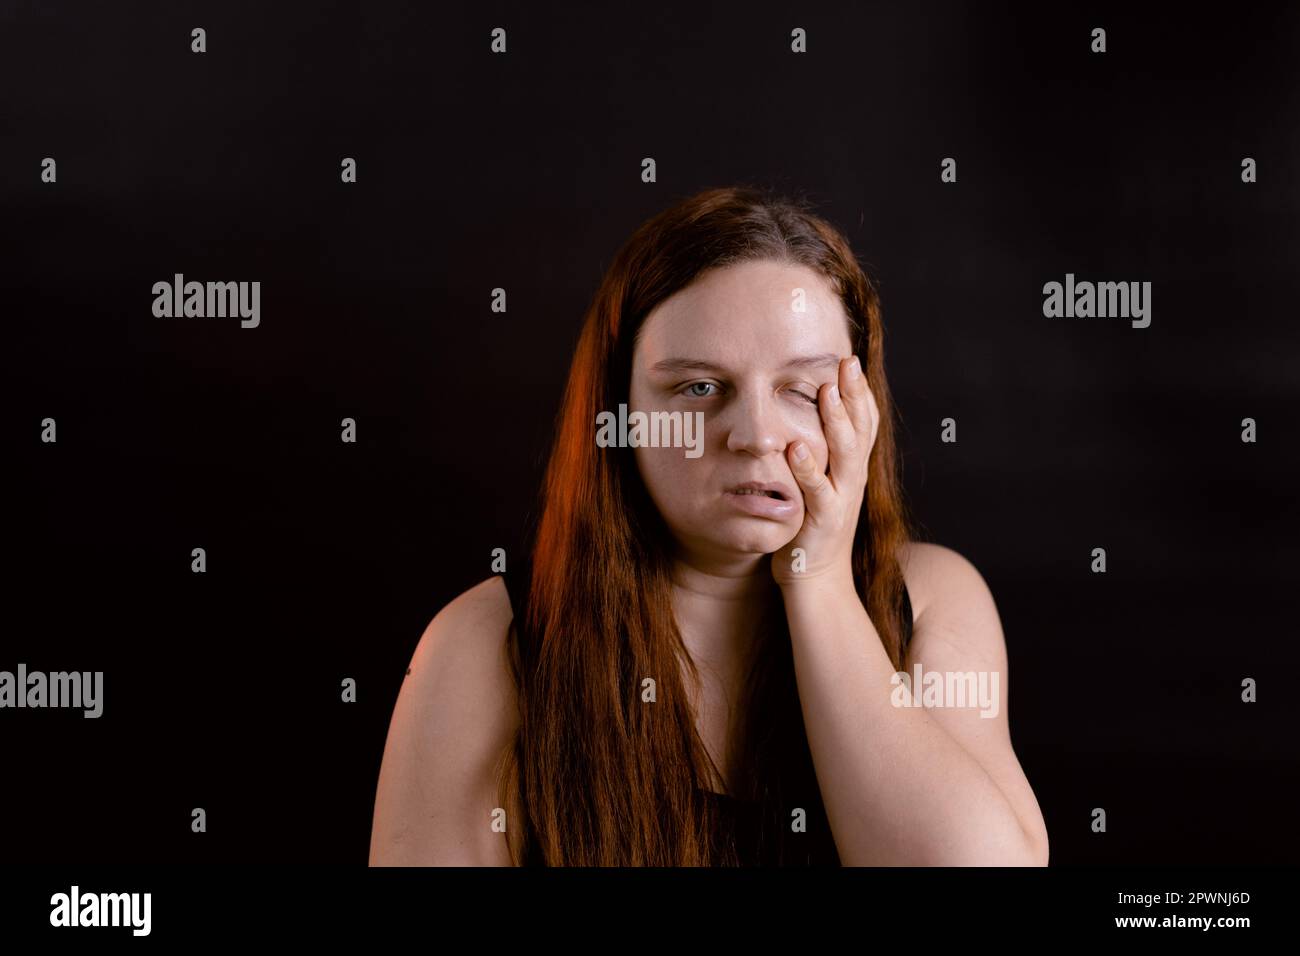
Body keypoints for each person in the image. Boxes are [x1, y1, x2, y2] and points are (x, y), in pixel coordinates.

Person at [368, 185, 1049, 866]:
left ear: (859, 406)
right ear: (621, 414)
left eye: (805, 390)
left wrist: (818, 580)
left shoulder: (932, 598)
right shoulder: (487, 642)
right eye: (698, 388)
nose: (755, 435)